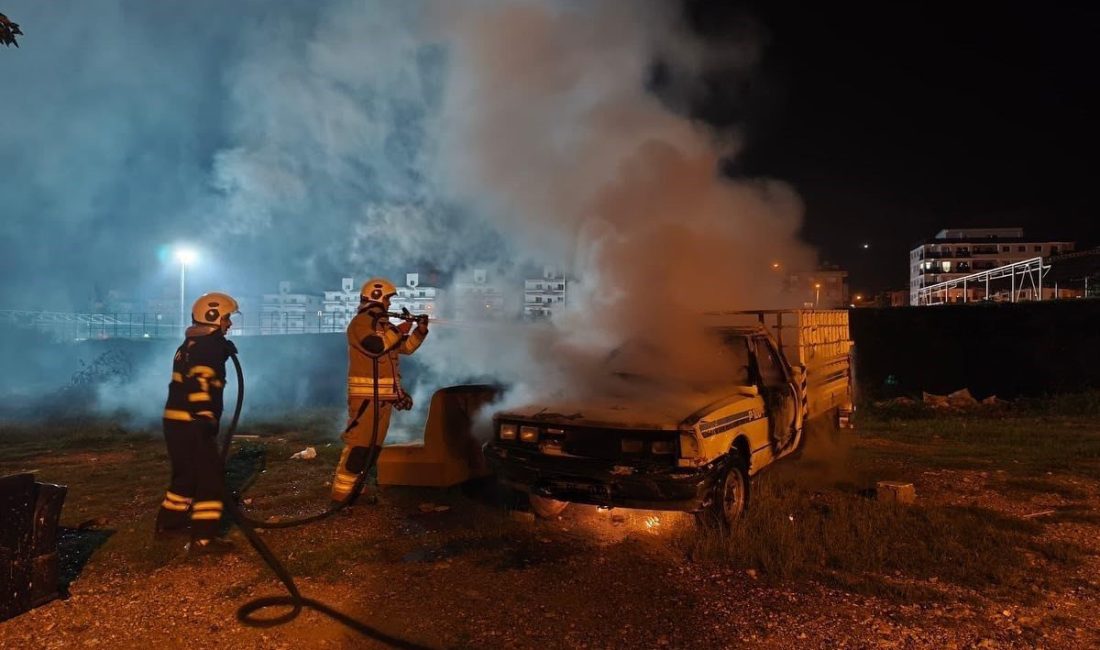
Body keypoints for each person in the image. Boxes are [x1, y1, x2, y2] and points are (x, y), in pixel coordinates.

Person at [155, 292, 240, 555]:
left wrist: (221, 350)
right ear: (213, 317)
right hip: (193, 422)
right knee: (210, 479)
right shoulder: (208, 347)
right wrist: (205, 415)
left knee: (186, 476)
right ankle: (204, 539)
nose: (229, 323)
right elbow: (201, 381)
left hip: (176, 421)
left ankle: (168, 526)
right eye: (226, 318)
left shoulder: (190, 345)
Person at [330, 278, 428, 505]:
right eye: (387, 299)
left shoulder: (382, 327)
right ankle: (340, 496)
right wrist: (397, 329)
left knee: (373, 449)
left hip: (383, 399)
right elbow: (375, 346)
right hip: (366, 399)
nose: (389, 304)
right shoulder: (361, 323)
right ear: (376, 297)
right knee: (359, 448)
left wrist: (419, 331)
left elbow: (405, 348)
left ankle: (357, 490)